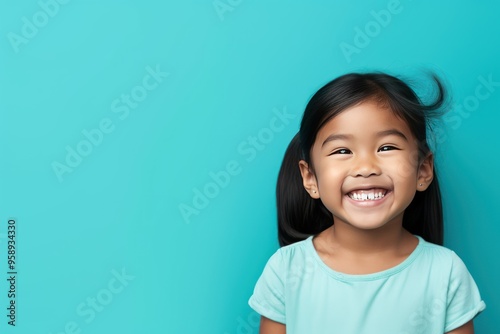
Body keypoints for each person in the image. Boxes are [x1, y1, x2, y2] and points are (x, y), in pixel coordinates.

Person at [248, 72, 486, 333]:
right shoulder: (286, 270)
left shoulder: (445, 273)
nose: (365, 168)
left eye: (386, 148)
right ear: (310, 178)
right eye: (342, 151)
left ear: (423, 170)